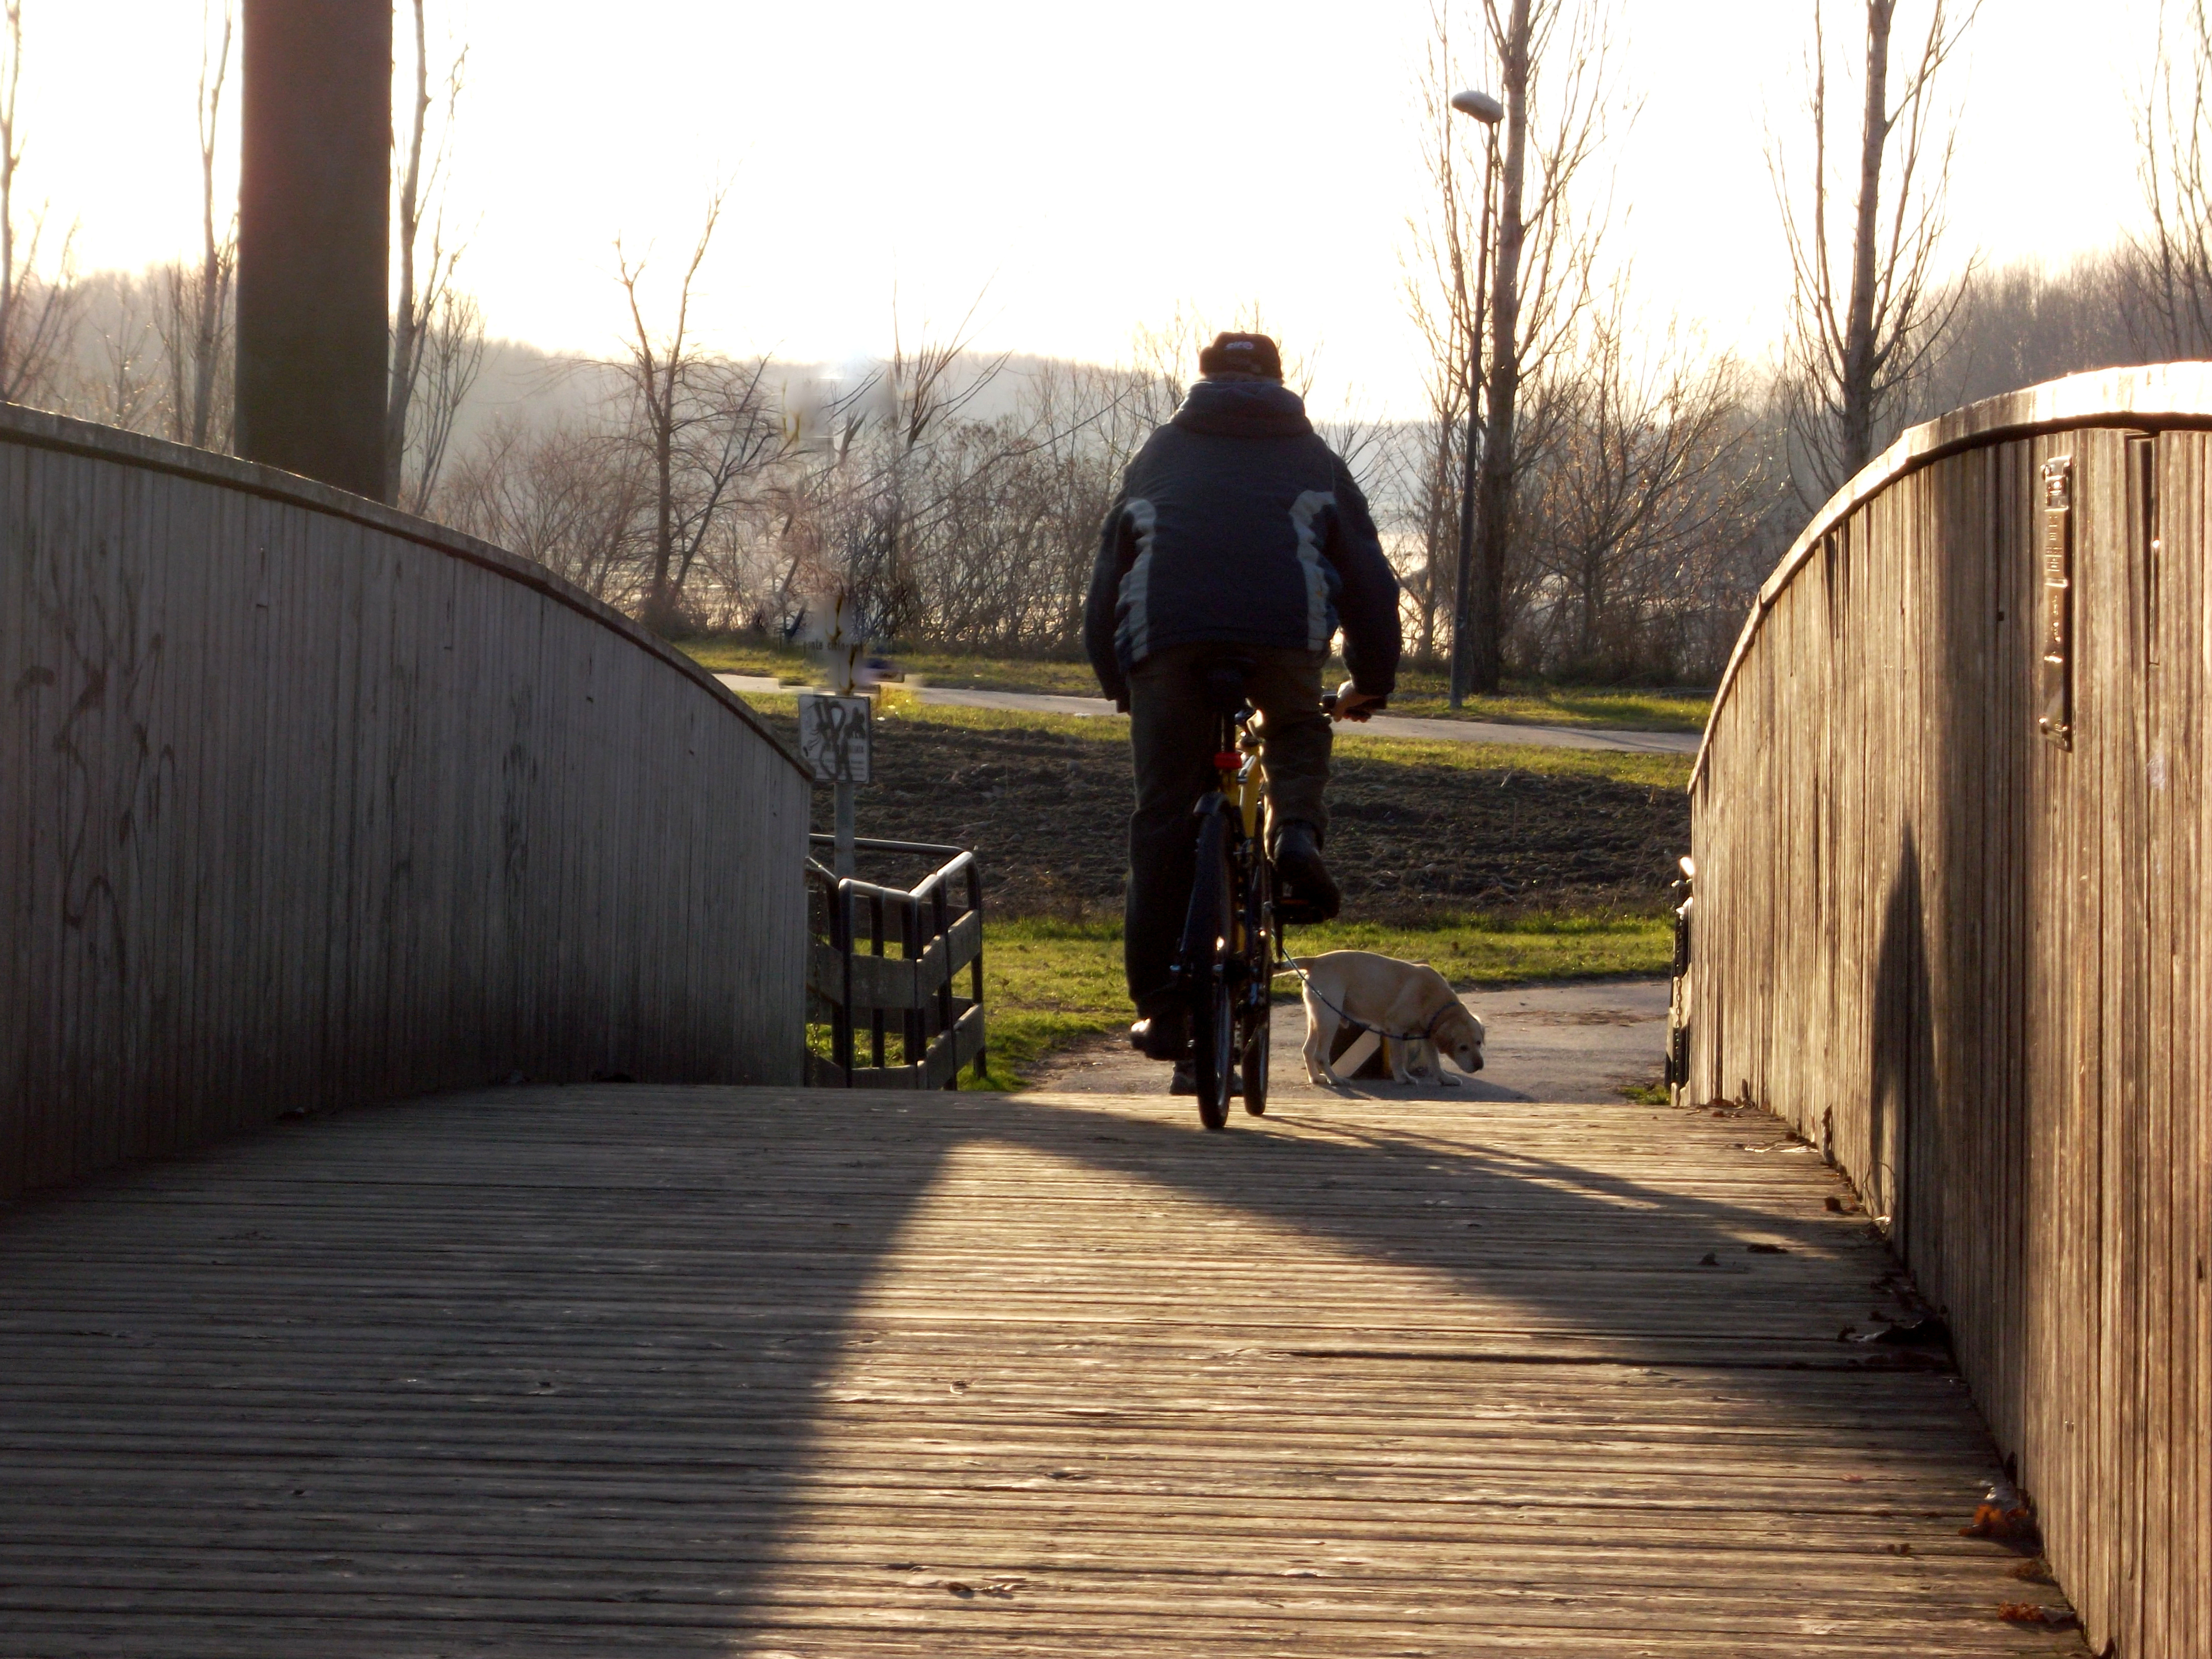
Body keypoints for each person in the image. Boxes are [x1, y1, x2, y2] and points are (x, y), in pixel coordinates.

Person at [1083, 331, 1402, 1081]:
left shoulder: (1159, 456)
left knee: (1163, 818)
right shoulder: (1315, 458)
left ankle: (1162, 1008)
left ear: (1202, 382)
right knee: (1295, 727)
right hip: (1283, 636)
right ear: (1281, 383)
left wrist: (1116, 678)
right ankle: (1294, 835)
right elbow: (1368, 578)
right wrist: (1372, 678)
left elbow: (1107, 576)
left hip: (1170, 640)